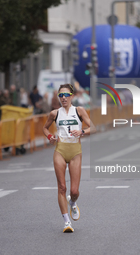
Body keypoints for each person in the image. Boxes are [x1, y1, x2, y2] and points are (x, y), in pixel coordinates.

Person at [43, 84, 92, 233]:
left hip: (75, 151)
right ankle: (66, 222)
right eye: (61, 95)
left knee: (74, 190)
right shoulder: (54, 113)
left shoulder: (79, 111)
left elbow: (93, 127)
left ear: (71, 96)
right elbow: (45, 128)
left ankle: (73, 202)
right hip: (60, 150)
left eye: (66, 95)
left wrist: (82, 131)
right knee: (62, 187)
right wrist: (50, 136)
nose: (63, 98)